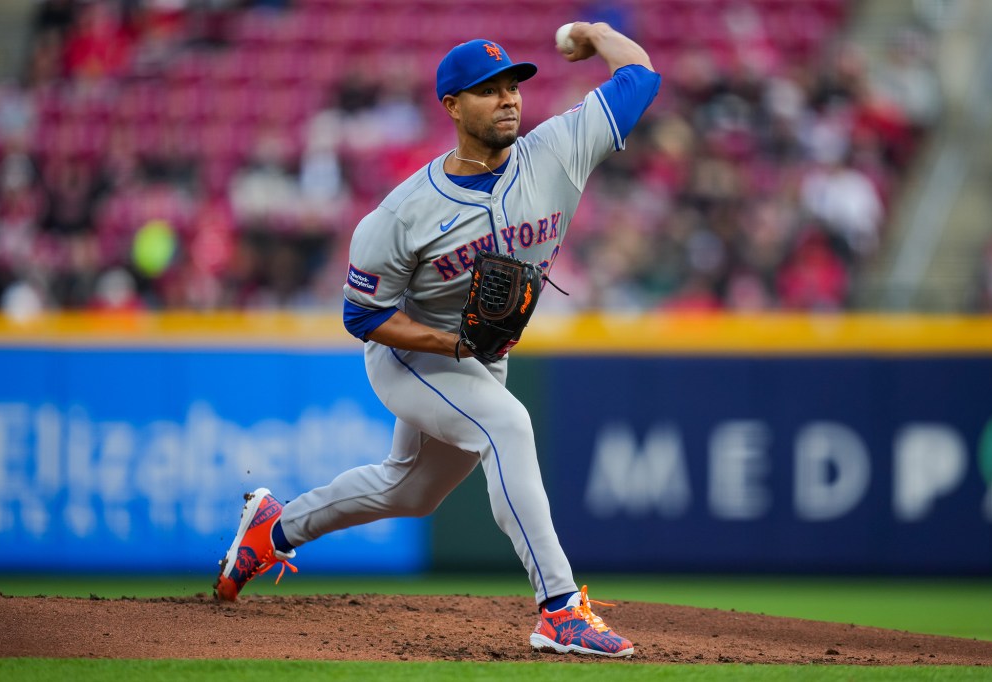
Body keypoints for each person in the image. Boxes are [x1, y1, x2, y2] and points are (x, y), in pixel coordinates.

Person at [214, 23, 660, 658]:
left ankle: (273, 530)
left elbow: (639, 75)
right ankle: (560, 608)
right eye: (487, 90)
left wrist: (594, 32)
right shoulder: (402, 214)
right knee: (507, 425)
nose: (508, 99)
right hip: (411, 355)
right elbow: (362, 317)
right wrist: (449, 347)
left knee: (411, 492)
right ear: (452, 106)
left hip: (480, 360)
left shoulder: (559, 149)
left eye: (513, 86)